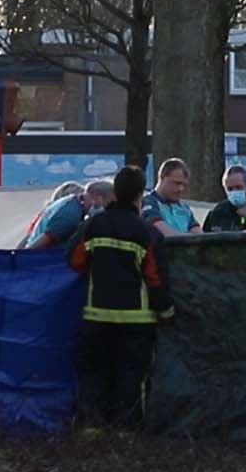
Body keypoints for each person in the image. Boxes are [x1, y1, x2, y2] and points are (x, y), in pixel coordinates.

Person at [68, 165, 175, 426]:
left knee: (94, 372)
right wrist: (167, 311)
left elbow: (75, 259)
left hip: (96, 315)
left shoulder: (93, 225)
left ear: (114, 193)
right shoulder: (147, 233)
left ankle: (92, 428)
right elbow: (155, 278)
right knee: (132, 375)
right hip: (136, 321)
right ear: (140, 196)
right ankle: (126, 431)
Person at [23, 180, 112, 250]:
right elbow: (35, 246)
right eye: (111, 202)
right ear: (100, 199)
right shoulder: (70, 216)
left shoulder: (71, 201)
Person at [142, 158, 201, 239]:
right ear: (162, 178)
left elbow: (200, 237)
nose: (181, 189)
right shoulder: (148, 202)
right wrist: (191, 239)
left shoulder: (184, 208)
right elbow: (166, 234)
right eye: (177, 183)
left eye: (184, 185)